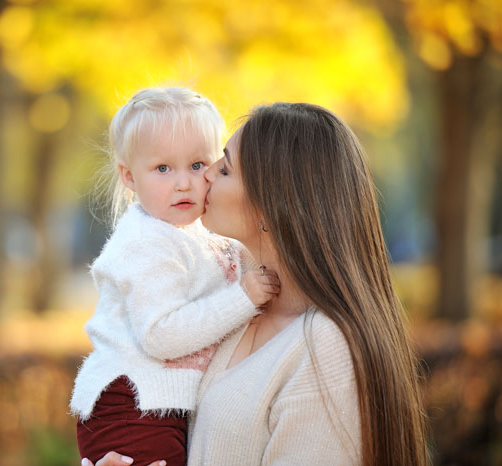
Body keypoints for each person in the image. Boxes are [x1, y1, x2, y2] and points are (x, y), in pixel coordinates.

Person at [82, 102, 428, 466]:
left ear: (272, 202)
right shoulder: (230, 295)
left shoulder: (324, 346)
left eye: (224, 167)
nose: (205, 176)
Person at [70, 88, 280, 466]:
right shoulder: (146, 245)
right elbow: (162, 334)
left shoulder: (190, 235)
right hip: (130, 406)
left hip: (157, 404)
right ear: (129, 176)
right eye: (163, 168)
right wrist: (243, 298)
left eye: (198, 165)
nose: (184, 183)